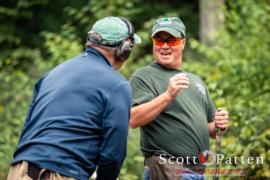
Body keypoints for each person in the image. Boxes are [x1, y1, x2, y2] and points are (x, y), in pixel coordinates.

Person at [7, 16, 141, 180]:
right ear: (124, 49)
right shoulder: (117, 85)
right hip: (62, 174)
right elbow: (113, 153)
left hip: (19, 170)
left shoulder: (50, 75)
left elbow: (28, 129)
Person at [129, 17, 229, 180]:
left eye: (172, 40)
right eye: (159, 40)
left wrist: (220, 125)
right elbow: (133, 119)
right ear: (153, 44)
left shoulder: (196, 81)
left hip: (198, 172)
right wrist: (168, 95)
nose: (165, 46)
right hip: (167, 170)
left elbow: (211, 130)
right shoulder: (144, 75)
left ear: (182, 43)